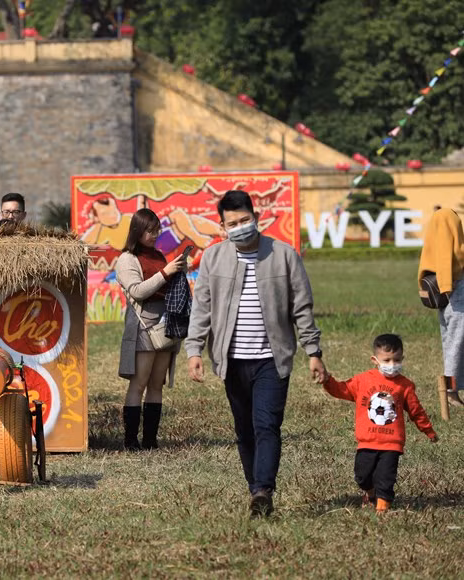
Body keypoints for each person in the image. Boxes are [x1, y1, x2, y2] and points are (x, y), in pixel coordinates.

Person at [185, 190, 326, 517]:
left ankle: (263, 489)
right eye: (232, 223)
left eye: (245, 220)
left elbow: (302, 307)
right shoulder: (213, 258)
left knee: (266, 426)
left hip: (271, 360)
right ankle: (255, 491)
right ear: (222, 226)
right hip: (231, 362)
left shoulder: (284, 255)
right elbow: (202, 308)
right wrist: (194, 350)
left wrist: (313, 351)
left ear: (256, 217)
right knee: (244, 431)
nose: (240, 227)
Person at [322, 334, 438, 513]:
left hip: (392, 444)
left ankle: (382, 509)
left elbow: (416, 410)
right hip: (367, 441)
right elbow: (341, 389)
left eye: (397, 360)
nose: (392, 365)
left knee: (386, 478)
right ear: (375, 360)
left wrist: (428, 430)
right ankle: (371, 493)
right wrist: (327, 380)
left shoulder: (405, 385)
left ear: (403, 359)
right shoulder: (362, 380)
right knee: (362, 477)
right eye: (387, 360)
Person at [115, 208, 186, 450]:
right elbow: (137, 291)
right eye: (149, 230)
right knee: (139, 383)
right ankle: (130, 440)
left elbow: (165, 285)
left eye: (157, 229)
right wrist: (166, 273)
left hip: (166, 324)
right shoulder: (126, 259)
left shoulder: (158, 255)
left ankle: (150, 440)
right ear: (137, 230)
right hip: (143, 325)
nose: (155, 234)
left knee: (157, 384)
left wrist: (176, 273)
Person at [418, 208, 464, 407]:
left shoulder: (437, 222)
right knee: (455, 345)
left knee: (451, 343)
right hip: (454, 290)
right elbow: (446, 257)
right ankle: (451, 392)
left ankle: (451, 390)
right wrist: (446, 286)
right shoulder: (447, 218)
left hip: (448, 291)